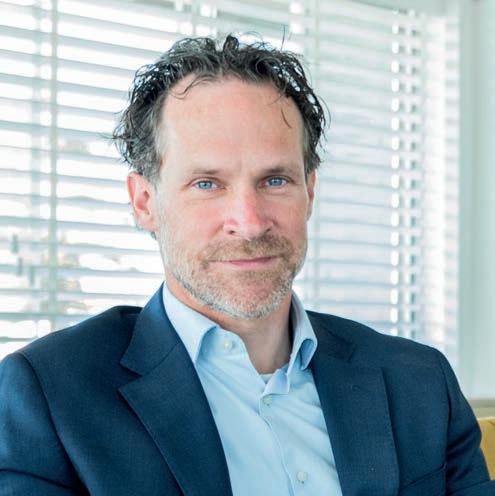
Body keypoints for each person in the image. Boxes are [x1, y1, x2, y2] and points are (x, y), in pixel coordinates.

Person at [0, 35, 492, 496]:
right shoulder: (47, 396)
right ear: (145, 202)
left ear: (309, 192)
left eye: (275, 180)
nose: (250, 223)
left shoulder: (419, 382)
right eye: (207, 184)